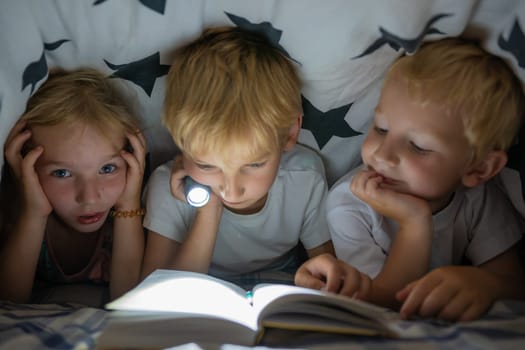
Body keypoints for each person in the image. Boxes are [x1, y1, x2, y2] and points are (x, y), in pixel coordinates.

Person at [294, 37, 525, 322]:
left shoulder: (479, 199)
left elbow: (514, 282)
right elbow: (382, 303)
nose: (383, 155)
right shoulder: (350, 201)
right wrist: (414, 222)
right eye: (380, 128)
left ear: (479, 168)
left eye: (418, 146)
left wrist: (486, 285)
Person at [141, 26, 334, 288]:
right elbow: (155, 293)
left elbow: (326, 271)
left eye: (254, 164)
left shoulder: (305, 177)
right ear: (180, 142)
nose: (231, 190)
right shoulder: (168, 187)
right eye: (206, 165)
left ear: (290, 133)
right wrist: (209, 210)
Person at [0, 68, 147, 304]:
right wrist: (34, 212)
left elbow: (128, 299)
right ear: (26, 166)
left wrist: (128, 203)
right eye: (62, 172)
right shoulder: (13, 213)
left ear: (133, 161)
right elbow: (7, 306)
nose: (89, 197)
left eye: (107, 169)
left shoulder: (132, 216)